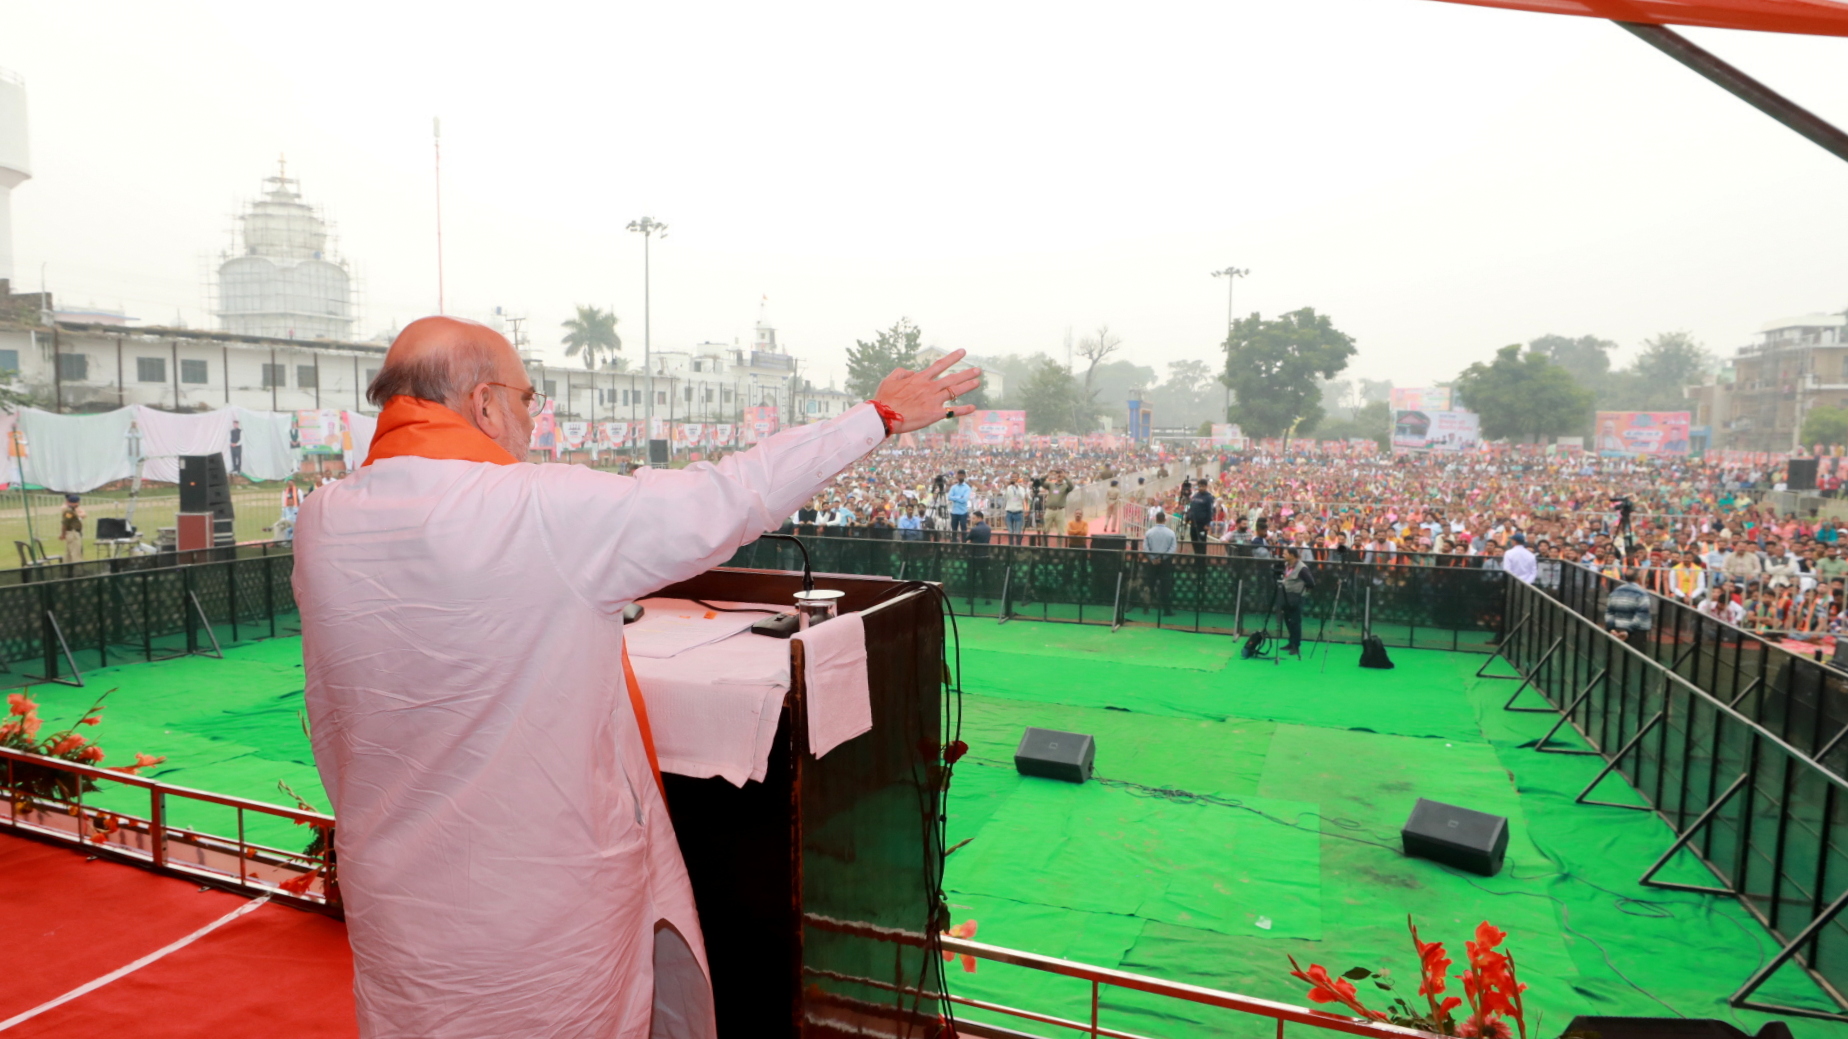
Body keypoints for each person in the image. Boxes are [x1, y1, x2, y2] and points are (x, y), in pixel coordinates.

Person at [292, 316, 980, 1039]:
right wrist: (877, 417)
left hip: (399, 909)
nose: (531, 419)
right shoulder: (537, 510)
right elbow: (728, 496)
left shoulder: (321, 521)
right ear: (486, 403)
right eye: (529, 398)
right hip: (541, 919)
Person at [1279, 546, 1314, 655]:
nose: (1283, 555)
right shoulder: (1286, 565)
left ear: (1292, 555)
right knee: (1288, 620)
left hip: (1296, 598)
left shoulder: (1302, 568)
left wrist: (1302, 592)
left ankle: (1296, 646)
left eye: (1285, 553)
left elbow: (1311, 583)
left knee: (1295, 622)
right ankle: (1290, 643)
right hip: (1286, 596)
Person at [1604, 569, 1654, 641]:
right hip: (1636, 632)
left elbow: (1609, 612)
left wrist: (1611, 628)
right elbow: (1641, 615)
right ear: (1638, 578)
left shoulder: (1615, 591)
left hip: (1617, 630)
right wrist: (1628, 631)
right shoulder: (1642, 593)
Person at [1185, 484, 1216, 554]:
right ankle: (1196, 559)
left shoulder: (1208, 497)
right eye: (1200, 486)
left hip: (1202, 524)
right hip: (1193, 523)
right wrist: (1188, 516)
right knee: (1194, 541)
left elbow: (1210, 511)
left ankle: (1202, 561)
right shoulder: (1195, 496)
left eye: (1202, 486)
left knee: (1201, 543)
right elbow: (1191, 508)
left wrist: (1207, 523)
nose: (1201, 488)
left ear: (1206, 487)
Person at [1041, 470, 1073, 536]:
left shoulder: (1065, 486)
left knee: (1061, 532)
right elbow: (1041, 482)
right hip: (1049, 510)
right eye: (1057, 473)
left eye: (1060, 473)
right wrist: (1047, 475)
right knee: (1045, 530)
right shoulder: (1050, 484)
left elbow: (1072, 487)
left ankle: (1059, 546)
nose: (1059, 475)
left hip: (1060, 510)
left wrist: (1065, 477)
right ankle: (1044, 546)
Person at [947, 469, 973, 538]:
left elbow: (964, 500)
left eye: (962, 475)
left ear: (964, 476)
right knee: (954, 530)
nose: (960, 477)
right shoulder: (953, 487)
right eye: (959, 475)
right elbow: (949, 497)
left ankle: (964, 545)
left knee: (963, 530)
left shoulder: (967, 488)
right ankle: (954, 545)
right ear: (957, 476)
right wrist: (959, 497)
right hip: (954, 511)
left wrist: (955, 498)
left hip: (963, 512)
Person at [59, 494, 85, 562]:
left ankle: (68, 569)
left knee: (69, 554)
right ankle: (78, 570)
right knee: (76, 554)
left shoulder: (72, 510)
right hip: (73, 533)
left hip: (72, 533)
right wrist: (63, 534)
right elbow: (65, 523)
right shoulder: (69, 512)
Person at [1003, 476, 1028, 540]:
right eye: (1012, 479)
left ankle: (1017, 545)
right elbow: (1004, 497)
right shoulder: (1008, 488)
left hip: (1018, 512)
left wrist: (1017, 488)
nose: (1013, 481)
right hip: (1009, 511)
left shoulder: (1021, 488)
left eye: (1015, 479)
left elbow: (1022, 497)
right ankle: (1011, 545)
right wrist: (1005, 487)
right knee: (1010, 531)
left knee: (1018, 531)